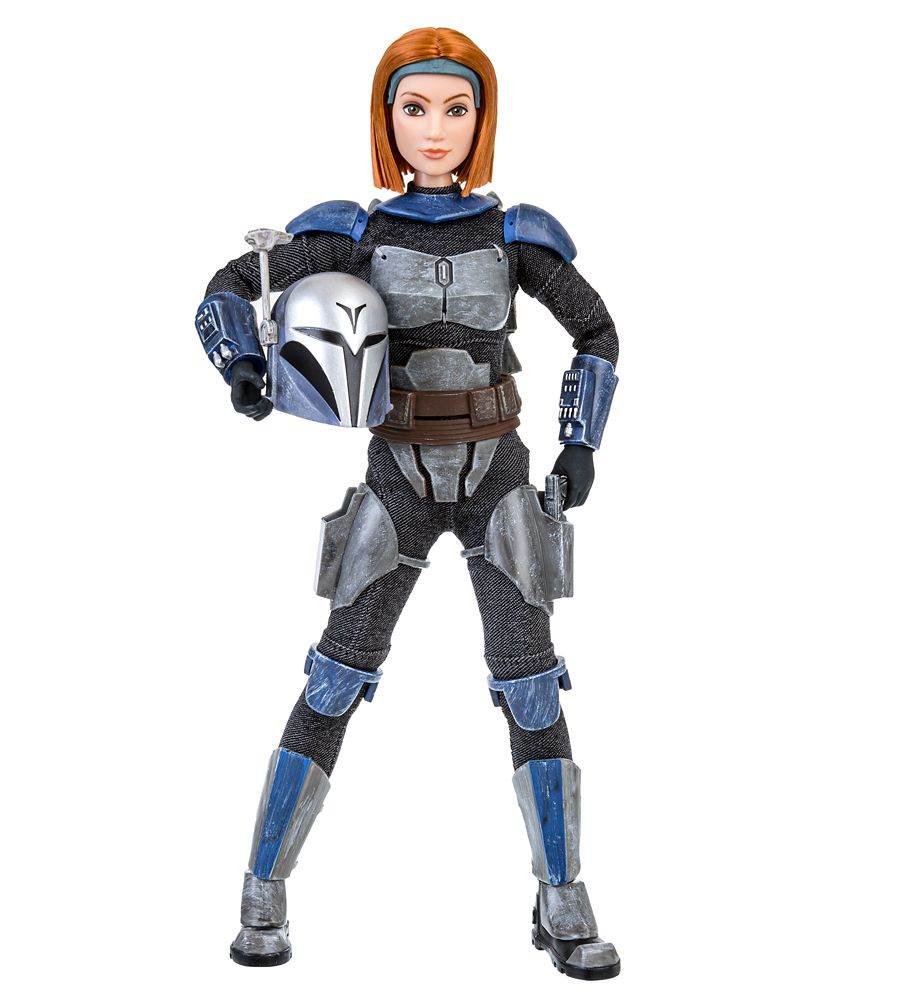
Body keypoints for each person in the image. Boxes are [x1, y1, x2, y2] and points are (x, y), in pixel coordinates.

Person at [195, 26, 622, 980]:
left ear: (482, 119)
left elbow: (596, 330)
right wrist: (246, 366)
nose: (436, 130)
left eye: (456, 108)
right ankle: (263, 887)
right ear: (386, 117)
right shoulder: (355, 232)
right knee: (335, 677)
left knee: (530, 680)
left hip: (498, 472)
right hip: (397, 472)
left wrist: (580, 442)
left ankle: (561, 894)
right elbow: (228, 287)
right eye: (415, 107)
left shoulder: (514, 236)